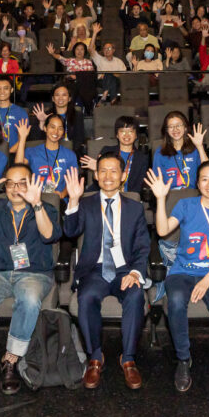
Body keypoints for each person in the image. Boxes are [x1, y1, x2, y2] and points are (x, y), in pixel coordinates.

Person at [0, 162, 60, 396]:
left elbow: (49, 235)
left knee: (28, 299)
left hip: (35, 273)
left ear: (31, 184)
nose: (15, 188)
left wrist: (36, 203)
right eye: (10, 183)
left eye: (22, 183)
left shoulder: (46, 207)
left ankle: (11, 358)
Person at [147, 161, 209, 392]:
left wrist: (208, 279)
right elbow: (161, 230)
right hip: (182, 270)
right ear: (197, 183)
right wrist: (160, 199)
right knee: (176, 303)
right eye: (205, 179)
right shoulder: (186, 205)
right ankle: (183, 358)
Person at [64, 163, 148, 390]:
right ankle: (95, 357)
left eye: (113, 171)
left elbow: (142, 247)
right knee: (87, 297)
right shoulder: (86, 203)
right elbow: (70, 232)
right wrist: (72, 201)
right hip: (95, 269)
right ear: (96, 175)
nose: (108, 176)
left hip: (125, 268)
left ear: (123, 176)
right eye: (102, 171)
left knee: (135, 295)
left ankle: (128, 358)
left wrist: (135, 272)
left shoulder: (135, 207)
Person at [79, 116, 149, 194]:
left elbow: (139, 187)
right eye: (122, 131)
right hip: (103, 193)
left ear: (136, 135)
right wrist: (97, 169)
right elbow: (96, 183)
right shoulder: (106, 150)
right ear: (117, 135)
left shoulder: (142, 158)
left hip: (128, 198)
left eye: (130, 131)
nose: (126, 135)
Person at [19, 114, 77, 198]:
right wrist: (22, 139)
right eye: (52, 127)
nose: (56, 132)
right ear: (45, 128)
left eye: (60, 128)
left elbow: (73, 181)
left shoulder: (70, 155)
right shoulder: (32, 151)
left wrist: (62, 195)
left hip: (59, 200)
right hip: (35, 198)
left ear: (63, 132)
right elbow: (18, 168)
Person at [151, 111, 209, 190]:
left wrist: (200, 147)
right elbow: (157, 179)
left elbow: (208, 171)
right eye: (171, 126)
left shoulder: (195, 149)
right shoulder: (160, 152)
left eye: (178, 125)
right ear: (167, 130)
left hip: (193, 194)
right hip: (170, 195)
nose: (175, 129)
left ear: (185, 128)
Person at [29, 84, 86, 153]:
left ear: (69, 98)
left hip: (70, 151)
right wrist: (42, 123)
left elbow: (79, 140)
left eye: (64, 95)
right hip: (49, 151)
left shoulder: (77, 115)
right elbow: (36, 140)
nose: (60, 98)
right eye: (57, 95)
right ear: (53, 98)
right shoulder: (45, 115)